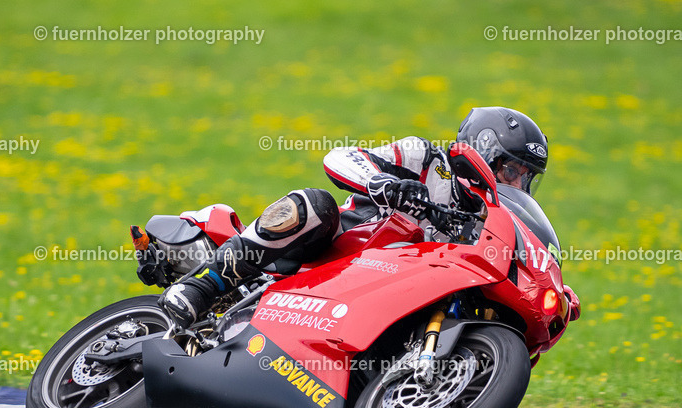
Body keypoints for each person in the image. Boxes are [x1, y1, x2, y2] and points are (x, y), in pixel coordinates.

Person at [160, 106, 550, 327]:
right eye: (512, 170)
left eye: (526, 177)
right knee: (315, 203)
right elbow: (341, 157)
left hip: (376, 295)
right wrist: (383, 183)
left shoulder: (485, 219)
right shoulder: (424, 157)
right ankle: (202, 287)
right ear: (483, 147)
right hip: (333, 252)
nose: (517, 182)